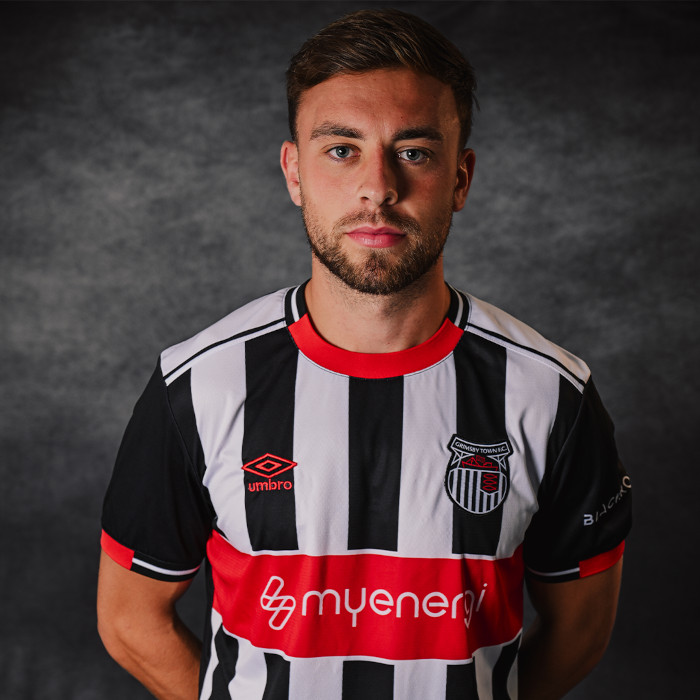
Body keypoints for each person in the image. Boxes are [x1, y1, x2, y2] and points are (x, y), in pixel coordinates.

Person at [97, 9, 632, 700]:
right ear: (294, 172)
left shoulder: (552, 394)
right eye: (341, 149)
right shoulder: (197, 385)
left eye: (414, 152)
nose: (378, 187)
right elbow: (130, 619)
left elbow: (579, 629)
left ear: (461, 178)